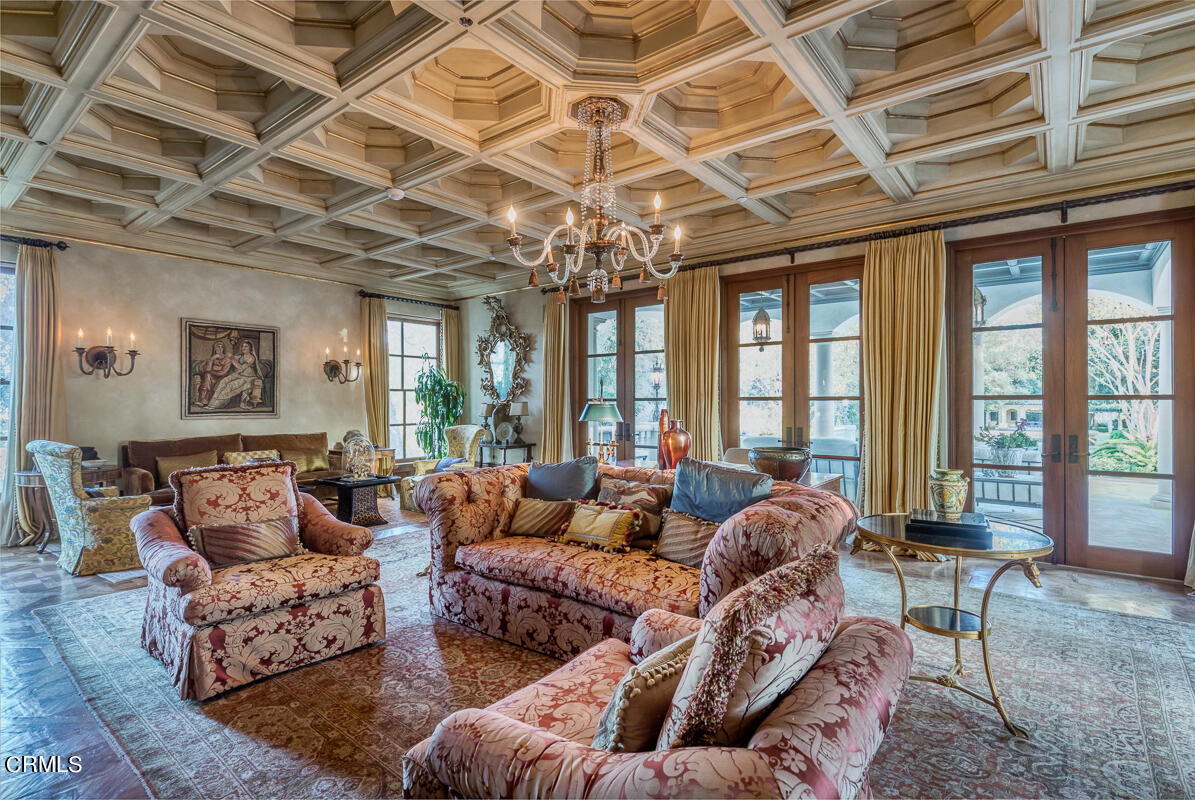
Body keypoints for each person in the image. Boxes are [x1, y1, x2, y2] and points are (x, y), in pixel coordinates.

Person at [207, 339, 264, 409]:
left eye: (246, 346)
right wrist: (217, 357)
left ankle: (217, 405)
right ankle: (211, 403)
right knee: (223, 381)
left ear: (250, 348)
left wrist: (232, 359)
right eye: (242, 346)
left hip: (248, 377)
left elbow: (241, 367)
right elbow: (227, 357)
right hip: (239, 375)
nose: (243, 348)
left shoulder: (252, 358)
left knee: (230, 386)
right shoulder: (240, 356)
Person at [195, 341, 233, 407]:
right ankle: (202, 400)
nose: (220, 349)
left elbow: (223, 372)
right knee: (207, 376)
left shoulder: (227, 359)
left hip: (222, 376)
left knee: (208, 375)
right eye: (218, 347)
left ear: (224, 349)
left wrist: (210, 371)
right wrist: (212, 359)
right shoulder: (212, 358)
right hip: (212, 376)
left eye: (222, 347)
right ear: (215, 349)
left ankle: (205, 401)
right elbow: (206, 369)